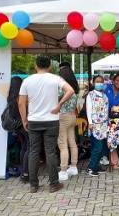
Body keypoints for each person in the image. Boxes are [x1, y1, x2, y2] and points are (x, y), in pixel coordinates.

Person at [18, 56, 74, 193]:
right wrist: (59, 104)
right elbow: (70, 90)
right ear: (49, 66)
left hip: (34, 121)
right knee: (51, 152)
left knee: (33, 152)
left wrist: (24, 119)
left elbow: (21, 103)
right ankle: (54, 184)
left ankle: (33, 185)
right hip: (51, 120)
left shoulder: (27, 81)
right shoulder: (55, 78)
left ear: (35, 66)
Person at [57, 66, 79, 181]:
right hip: (72, 116)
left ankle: (63, 170)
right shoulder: (75, 88)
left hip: (63, 117)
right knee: (72, 142)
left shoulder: (62, 88)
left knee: (62, 144)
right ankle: (74, 166)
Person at [7, 76, 29, 183]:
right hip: (24, 124)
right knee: (29, 148)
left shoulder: (10, 97)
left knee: (24, 147)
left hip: (17, 127)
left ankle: (23, 171)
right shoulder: (21, 96)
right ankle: (25, 173)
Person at [86, 76, 109, 176]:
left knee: (101, 147)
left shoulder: (104, 95)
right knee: (97, 147)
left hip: (104, 125)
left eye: (101, 82)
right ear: (93, 83)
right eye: (97, 81)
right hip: (95, 125)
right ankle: (91, 168)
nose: (99, 83)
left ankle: (96, 166)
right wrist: (90, 122)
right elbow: (89, 109)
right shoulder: (90, 95)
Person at [104, 74, 119, 169]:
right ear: (113, 81)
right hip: (102, 116)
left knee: (111, 136)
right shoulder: (106, 88)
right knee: (102, 137)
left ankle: (111, 158)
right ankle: (104, 156)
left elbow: (118, 107)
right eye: (117, 80)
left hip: (113, 118)